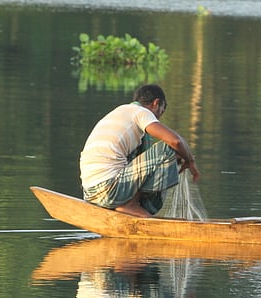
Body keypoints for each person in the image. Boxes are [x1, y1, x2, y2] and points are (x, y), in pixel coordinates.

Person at [80, 83, 200, 217]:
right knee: (169, 148)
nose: (158, 118)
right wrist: (189, 160)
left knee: (154, 149)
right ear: (156, 103)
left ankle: (127, 204)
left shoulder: (121, 111)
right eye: (160, 113)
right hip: (109, 189)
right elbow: (175, 140)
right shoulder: (142, 112)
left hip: (91, 193)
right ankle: (130, 204)